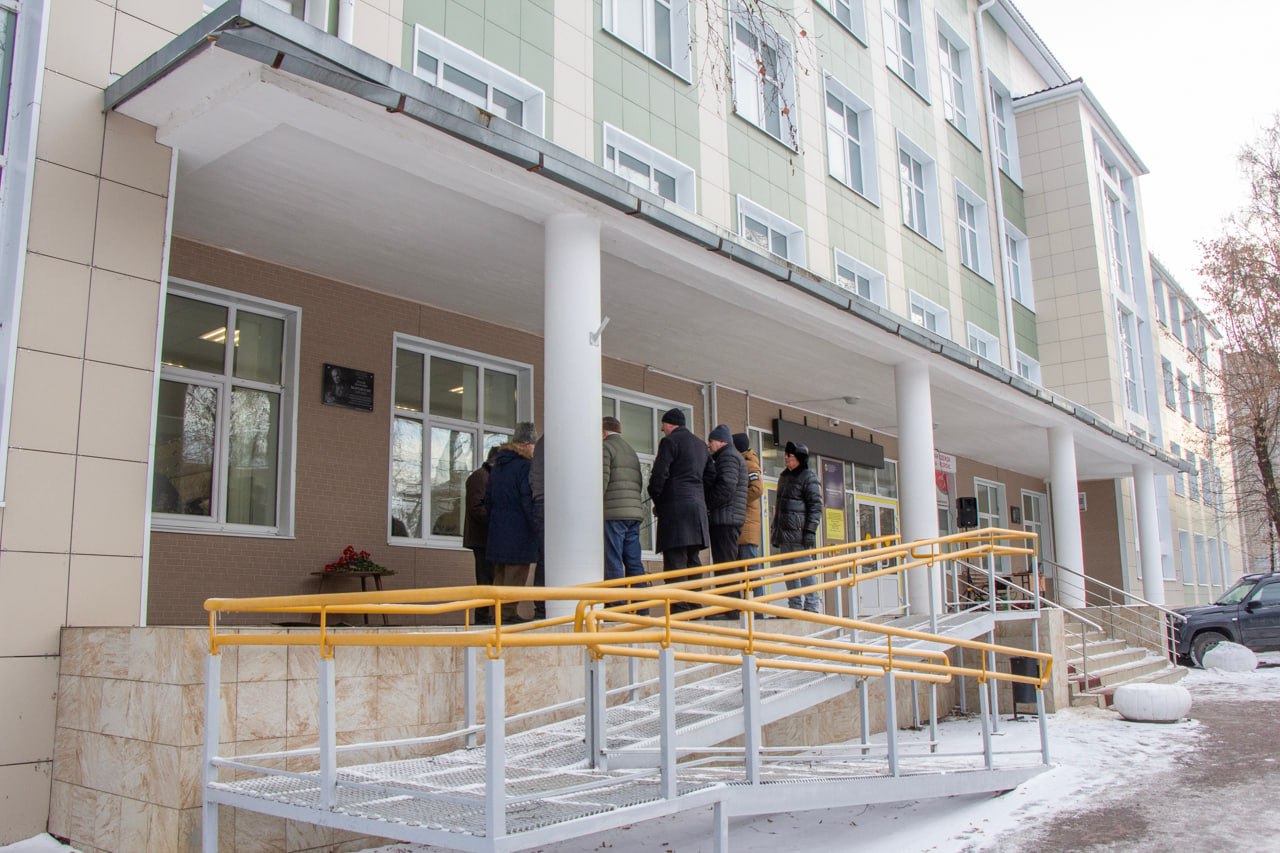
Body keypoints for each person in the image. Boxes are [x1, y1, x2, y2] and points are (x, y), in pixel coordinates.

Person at [647, 408, 714, 593]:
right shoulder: (701, 445)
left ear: (670, 424)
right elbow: (710, 477)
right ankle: (694, 604)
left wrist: (658, 501)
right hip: (697, 511)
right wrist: (698, 496)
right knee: (693, 559)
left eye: (663, 425)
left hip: (675, 510)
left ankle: (679, 606)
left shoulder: (669, 442)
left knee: (675, 561)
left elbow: (659, 475)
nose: (662, 429)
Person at [485, 422, 539, 623]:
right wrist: (535, 524)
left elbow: (488, 499)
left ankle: (496, 614)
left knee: (500, 574)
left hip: (498, 529)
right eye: (533, 445)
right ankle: (508, 614)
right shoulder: (524, 466)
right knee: (516, 574)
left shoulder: (498, 467)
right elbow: (527, 499)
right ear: (526, 444)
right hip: (519, 530)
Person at [771, 441, 823, 613]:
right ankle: (794, 606)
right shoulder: (784, 477)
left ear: (799, 458)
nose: (786, 458)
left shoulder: (809, 477)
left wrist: (810, 531)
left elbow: (816, 506)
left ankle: (812, 605)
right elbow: (779, 507)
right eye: (786, 455)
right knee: (789, 572)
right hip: (784, 534)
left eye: (790, 456)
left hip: (800, 535)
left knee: (804, 569)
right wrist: (775, 531)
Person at [705, 424, 747, 617]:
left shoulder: (728, 457)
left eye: (711, 441)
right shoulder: (730, 456)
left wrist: (708, 504)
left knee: (725, 565)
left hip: (725, 519)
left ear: (721, 441)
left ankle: (729, 609)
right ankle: (729, 607)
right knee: (726, 563)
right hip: (729, 518)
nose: (709, 445)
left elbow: (726, 488)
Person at [602, 416, 647, 583]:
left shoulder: (605, 447)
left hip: (614, 513)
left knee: (613, 560)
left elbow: (602, 480)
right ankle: (641, 598)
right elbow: (639, 482)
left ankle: (616, 598)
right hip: (633, 513)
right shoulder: (630, 450)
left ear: (603, 432)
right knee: (634, 561)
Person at [463, 446, 500, 623]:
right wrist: (498, 521)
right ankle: (483, 617)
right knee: (486, 578)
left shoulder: (487, 477)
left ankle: (488, 616)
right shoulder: (480, 477)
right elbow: (476, 508)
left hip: (488, 538)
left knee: (491, 578)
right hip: (482, 538)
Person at [734, 432, 765, 567]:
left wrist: (738, 500)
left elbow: (757, 489)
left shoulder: (749, 464)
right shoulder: (742, 463)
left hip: (747, 528)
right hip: (742, 526)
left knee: (751, 570)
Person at [530, 433, 547, 619]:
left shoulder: (542, 443)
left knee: (545, 557)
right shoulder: (558, 438)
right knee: (548, 558)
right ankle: (543, 608)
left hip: (541, 500)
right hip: (551, 501)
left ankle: (541, 608)